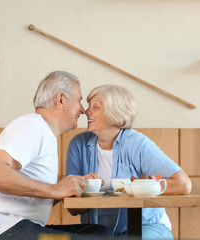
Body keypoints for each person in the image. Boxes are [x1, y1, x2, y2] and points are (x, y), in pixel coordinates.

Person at [0, 71, 112, 240]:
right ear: (61, 99)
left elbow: (35, 196)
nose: (83, 110)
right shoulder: (32, 126)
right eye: (79, 100)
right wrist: (56, 189)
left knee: (100, 234)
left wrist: (69, 189)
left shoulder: (45, 133)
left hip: (20, 226)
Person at [66, 84, 192, 240]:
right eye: (89, 105)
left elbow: (183, 184)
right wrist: (81, 187)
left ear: (115, 113)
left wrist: (134, 188)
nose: (86, 111)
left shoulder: (136, 143)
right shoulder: (78, 145)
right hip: (98, 232)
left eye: (96, 107)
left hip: (145, 226)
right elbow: (71, 208)